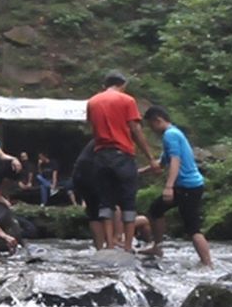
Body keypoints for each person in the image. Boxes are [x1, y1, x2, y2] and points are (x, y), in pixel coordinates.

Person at [86, 71, 157, 252]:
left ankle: (109, 244)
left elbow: (92, 128)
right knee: (128, 201)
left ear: (105, 85)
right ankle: (127, 246)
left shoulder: (92, 102)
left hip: (101, 156)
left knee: (106, 202)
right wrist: (150, 156)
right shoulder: (127, 100)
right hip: (122, 155)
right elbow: (135, 129)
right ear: (123, 84)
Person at [143, 106, 212, 267]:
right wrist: (138, 172)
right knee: (155, 210)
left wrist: (168, 187)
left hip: (188, 187)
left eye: (151, 125)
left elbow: (175, 160)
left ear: (157, 120)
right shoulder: (173, 133)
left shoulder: (170, 135)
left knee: (192, 227)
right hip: (186, 186)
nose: (151, 129)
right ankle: (157, 247)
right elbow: (162, 163)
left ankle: (207, 263)